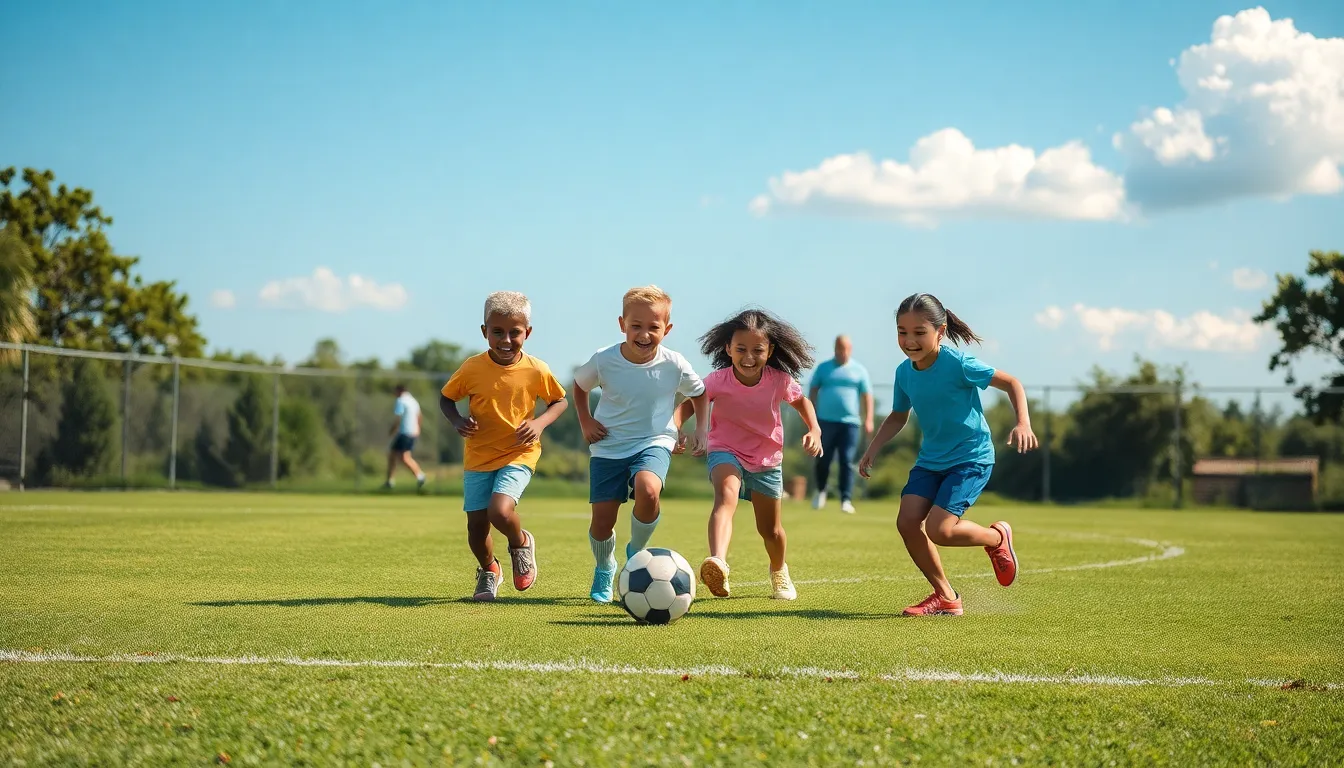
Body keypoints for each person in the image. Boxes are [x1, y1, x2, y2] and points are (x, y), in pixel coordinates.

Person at [858, 293, 1036, 617]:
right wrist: (872, 449)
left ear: (940, 332)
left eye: (919, 332)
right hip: (931, 460)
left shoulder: (958, 363)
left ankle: (996, 538)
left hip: (971, 458)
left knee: (942, 531)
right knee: (908, 522)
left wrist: (1022, 422)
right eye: (902, 332)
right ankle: (946, 596)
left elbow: (1011, 383)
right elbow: (899, 415)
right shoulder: (904, 373)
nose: (909, 340)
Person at [673, 308, 822, 601]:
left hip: (766, 459)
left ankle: (779, 571)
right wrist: (674, 428)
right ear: (728, 348)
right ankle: (718, 561)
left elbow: (802, 403)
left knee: (771, 530)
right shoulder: (717, 380)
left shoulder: (779, 380)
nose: (748, 357)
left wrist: (814, 430)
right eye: (741, 349)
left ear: (770, 351)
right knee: (725, 497)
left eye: (758, 350)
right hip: (725, 449)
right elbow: (689, 404)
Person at [572, 285, 709, 604]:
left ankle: (636, 550)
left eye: (653, 327)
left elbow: (700, 394)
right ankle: (605, 567)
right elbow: (579, 388)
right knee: (602, 523)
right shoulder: (604, 360)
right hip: (608, 446)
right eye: (636, 326)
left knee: (649, 490)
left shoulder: (674, 363)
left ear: (667, 329)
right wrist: (586, 421)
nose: (644, 334)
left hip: (654, 441)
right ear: (622, 325)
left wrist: (699, 429)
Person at [440, 291, 568, 602]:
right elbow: (446, 398)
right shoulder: (471, 368)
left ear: (528, 332)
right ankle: (489, 570)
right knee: (476, 529)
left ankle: (520, 543)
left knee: (500, 511)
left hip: (519, 453)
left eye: (515, 332)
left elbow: (559, 401)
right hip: (479, 457)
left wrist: (538, 424)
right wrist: (456, 420)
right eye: (497, 332)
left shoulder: (537, 370)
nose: (506, 340)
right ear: (484, 331)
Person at [808, 335, 874, 513]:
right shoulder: (823, 368)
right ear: (834, 348)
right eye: (839, 348)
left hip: (850, 424)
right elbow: (813, 390)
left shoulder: (859, 370)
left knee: (846, 460)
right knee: (823, 458)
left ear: (850, 349)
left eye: (845, 349)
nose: (842, 352)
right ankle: (821, 491)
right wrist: (811, 417)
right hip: (825, 422)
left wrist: (869, 419)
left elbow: (867, 396)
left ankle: (846, 499)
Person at [385, 384, 427, 490]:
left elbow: (398, 417)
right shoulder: (413, 401)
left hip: (405, 432)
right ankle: (390, 481)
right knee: (392, 455)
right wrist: (418, 428)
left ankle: (420, 476)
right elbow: (419, 416)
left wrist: (392, 430)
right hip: (412, 432)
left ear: (399, 391)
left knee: (404, 457)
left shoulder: (401, 401)